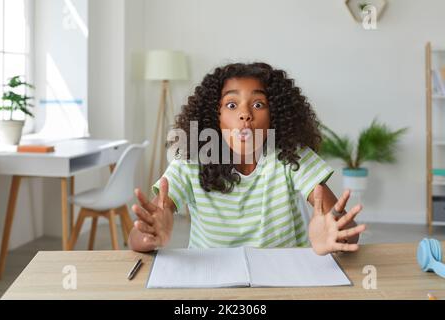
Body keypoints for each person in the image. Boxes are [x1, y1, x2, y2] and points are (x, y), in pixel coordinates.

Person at [128, 62, 366, 255]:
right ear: (215, 117)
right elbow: (136, 239)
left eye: (258, 104)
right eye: (232, 104)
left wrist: (335, 228)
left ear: (275, 116)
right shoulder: (191, 162)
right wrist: (150, 234)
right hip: (211, 283)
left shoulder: (292, 156)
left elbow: (347, 232)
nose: (245, 114)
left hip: (283, 281)